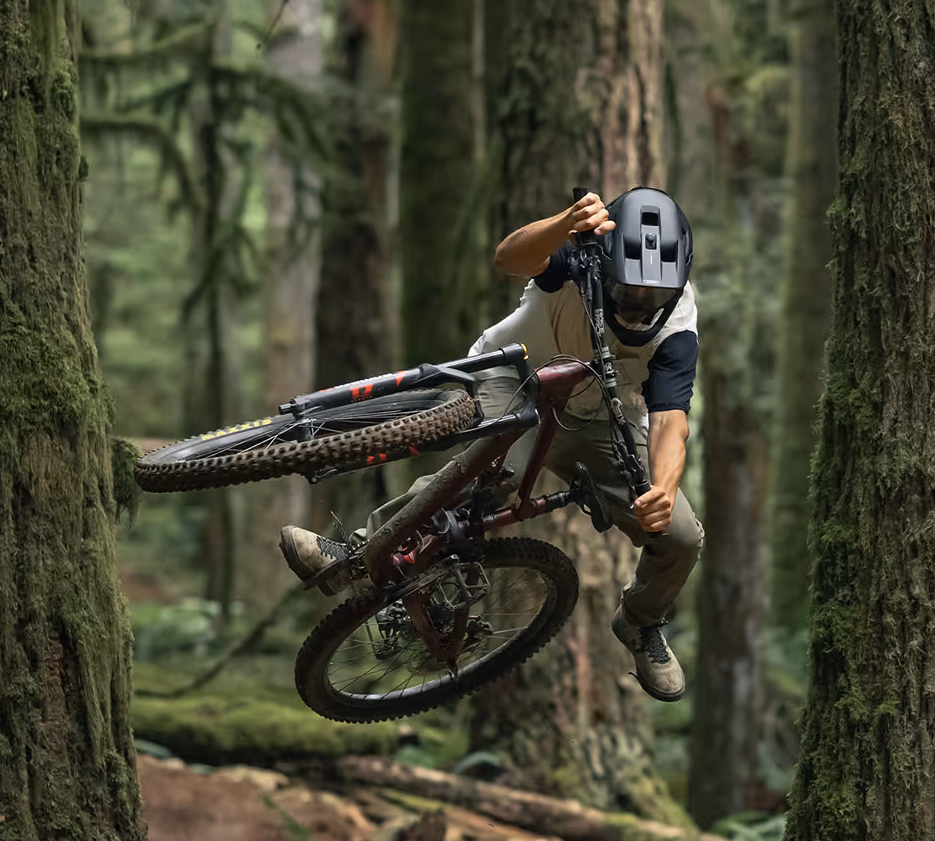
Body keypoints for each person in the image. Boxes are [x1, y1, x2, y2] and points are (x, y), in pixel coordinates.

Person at [281, 186, 702, 701]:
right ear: (606, 264)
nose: (637, 307)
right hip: (518, 377)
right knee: (493, 472)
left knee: (681, 536)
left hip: (599, 419)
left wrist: (663, 489)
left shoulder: (677, 330)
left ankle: (641, 622)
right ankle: (352, 554)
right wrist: (563, 223)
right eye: (627, 291)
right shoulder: (578, 257)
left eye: (653, 297)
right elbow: (509, 258)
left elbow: (670, 421)